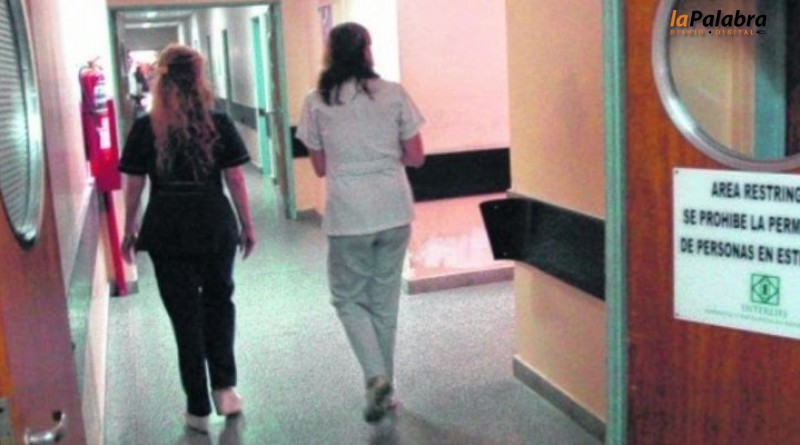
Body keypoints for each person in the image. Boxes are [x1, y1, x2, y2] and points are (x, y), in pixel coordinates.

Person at [118, 44, 256, 434]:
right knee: (219, 303)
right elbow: (235, 177)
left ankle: (197, 406)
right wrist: (247, 225)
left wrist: (130, 227)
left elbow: (135, 183)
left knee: (184, 317)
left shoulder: (146, 127)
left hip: (167, 227)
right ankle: (225, 389)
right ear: (199, 78)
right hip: (213, 222)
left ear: (161, 79)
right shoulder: (218, 122)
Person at [296, 22, 425, 424]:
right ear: (367, 51)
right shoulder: (395, 93)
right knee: (384, 302)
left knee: (348, 299)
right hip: (394, 210)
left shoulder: (316, 102)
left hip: (349, 214)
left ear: (331, 53)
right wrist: (382, 156)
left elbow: (319, 167)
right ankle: (386, 390)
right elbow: (417, 156)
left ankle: (375, 377)